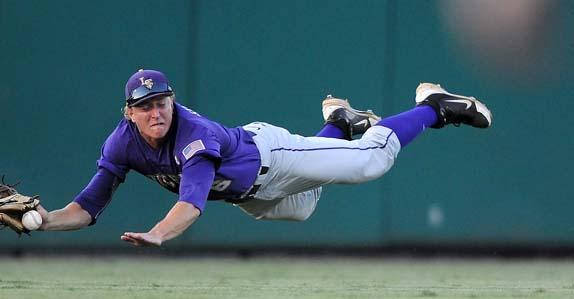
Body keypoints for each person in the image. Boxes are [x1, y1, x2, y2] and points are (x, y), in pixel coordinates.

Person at [35, 69, 492, 247]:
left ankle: (434, 107)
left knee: (368, 161)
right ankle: (341, 122)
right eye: (146, 106)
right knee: (308, 206)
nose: (156, 112)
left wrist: (157, 234)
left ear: (172, 102)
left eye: (162, 102)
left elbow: (191, 203)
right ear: (129, 113)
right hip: (251, 195)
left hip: (272, 156)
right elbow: (88, 206)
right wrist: (45, 220)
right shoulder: (121, 144)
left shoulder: (191, 134)